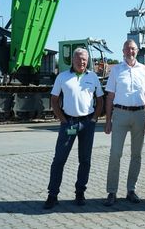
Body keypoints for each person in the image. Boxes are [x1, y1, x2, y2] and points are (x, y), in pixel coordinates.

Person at [43, 48, 104, 209]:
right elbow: (54, 100)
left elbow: (100, 100)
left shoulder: (93, 77)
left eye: (84, 59)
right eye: (79, 59)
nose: (82, 62)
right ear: (73, 60)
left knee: (85, 160)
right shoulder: (62, 77)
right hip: (68, 124)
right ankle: (52, 195)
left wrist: (94, 119)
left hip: (87, 124)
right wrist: (63, 120)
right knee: (59, 160)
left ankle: (80, 193)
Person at [103, 39, 145, 206]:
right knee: (115, 153)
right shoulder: (116, 70)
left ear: (137, 51)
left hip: (140, 114)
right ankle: (112, 191)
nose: (130, 52)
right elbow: (109, 96)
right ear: (123, 51)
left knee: (136, 155)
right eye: (127, 49)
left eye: (133, 49)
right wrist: (108, 120)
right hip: (120, 114)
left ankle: (131, 189)